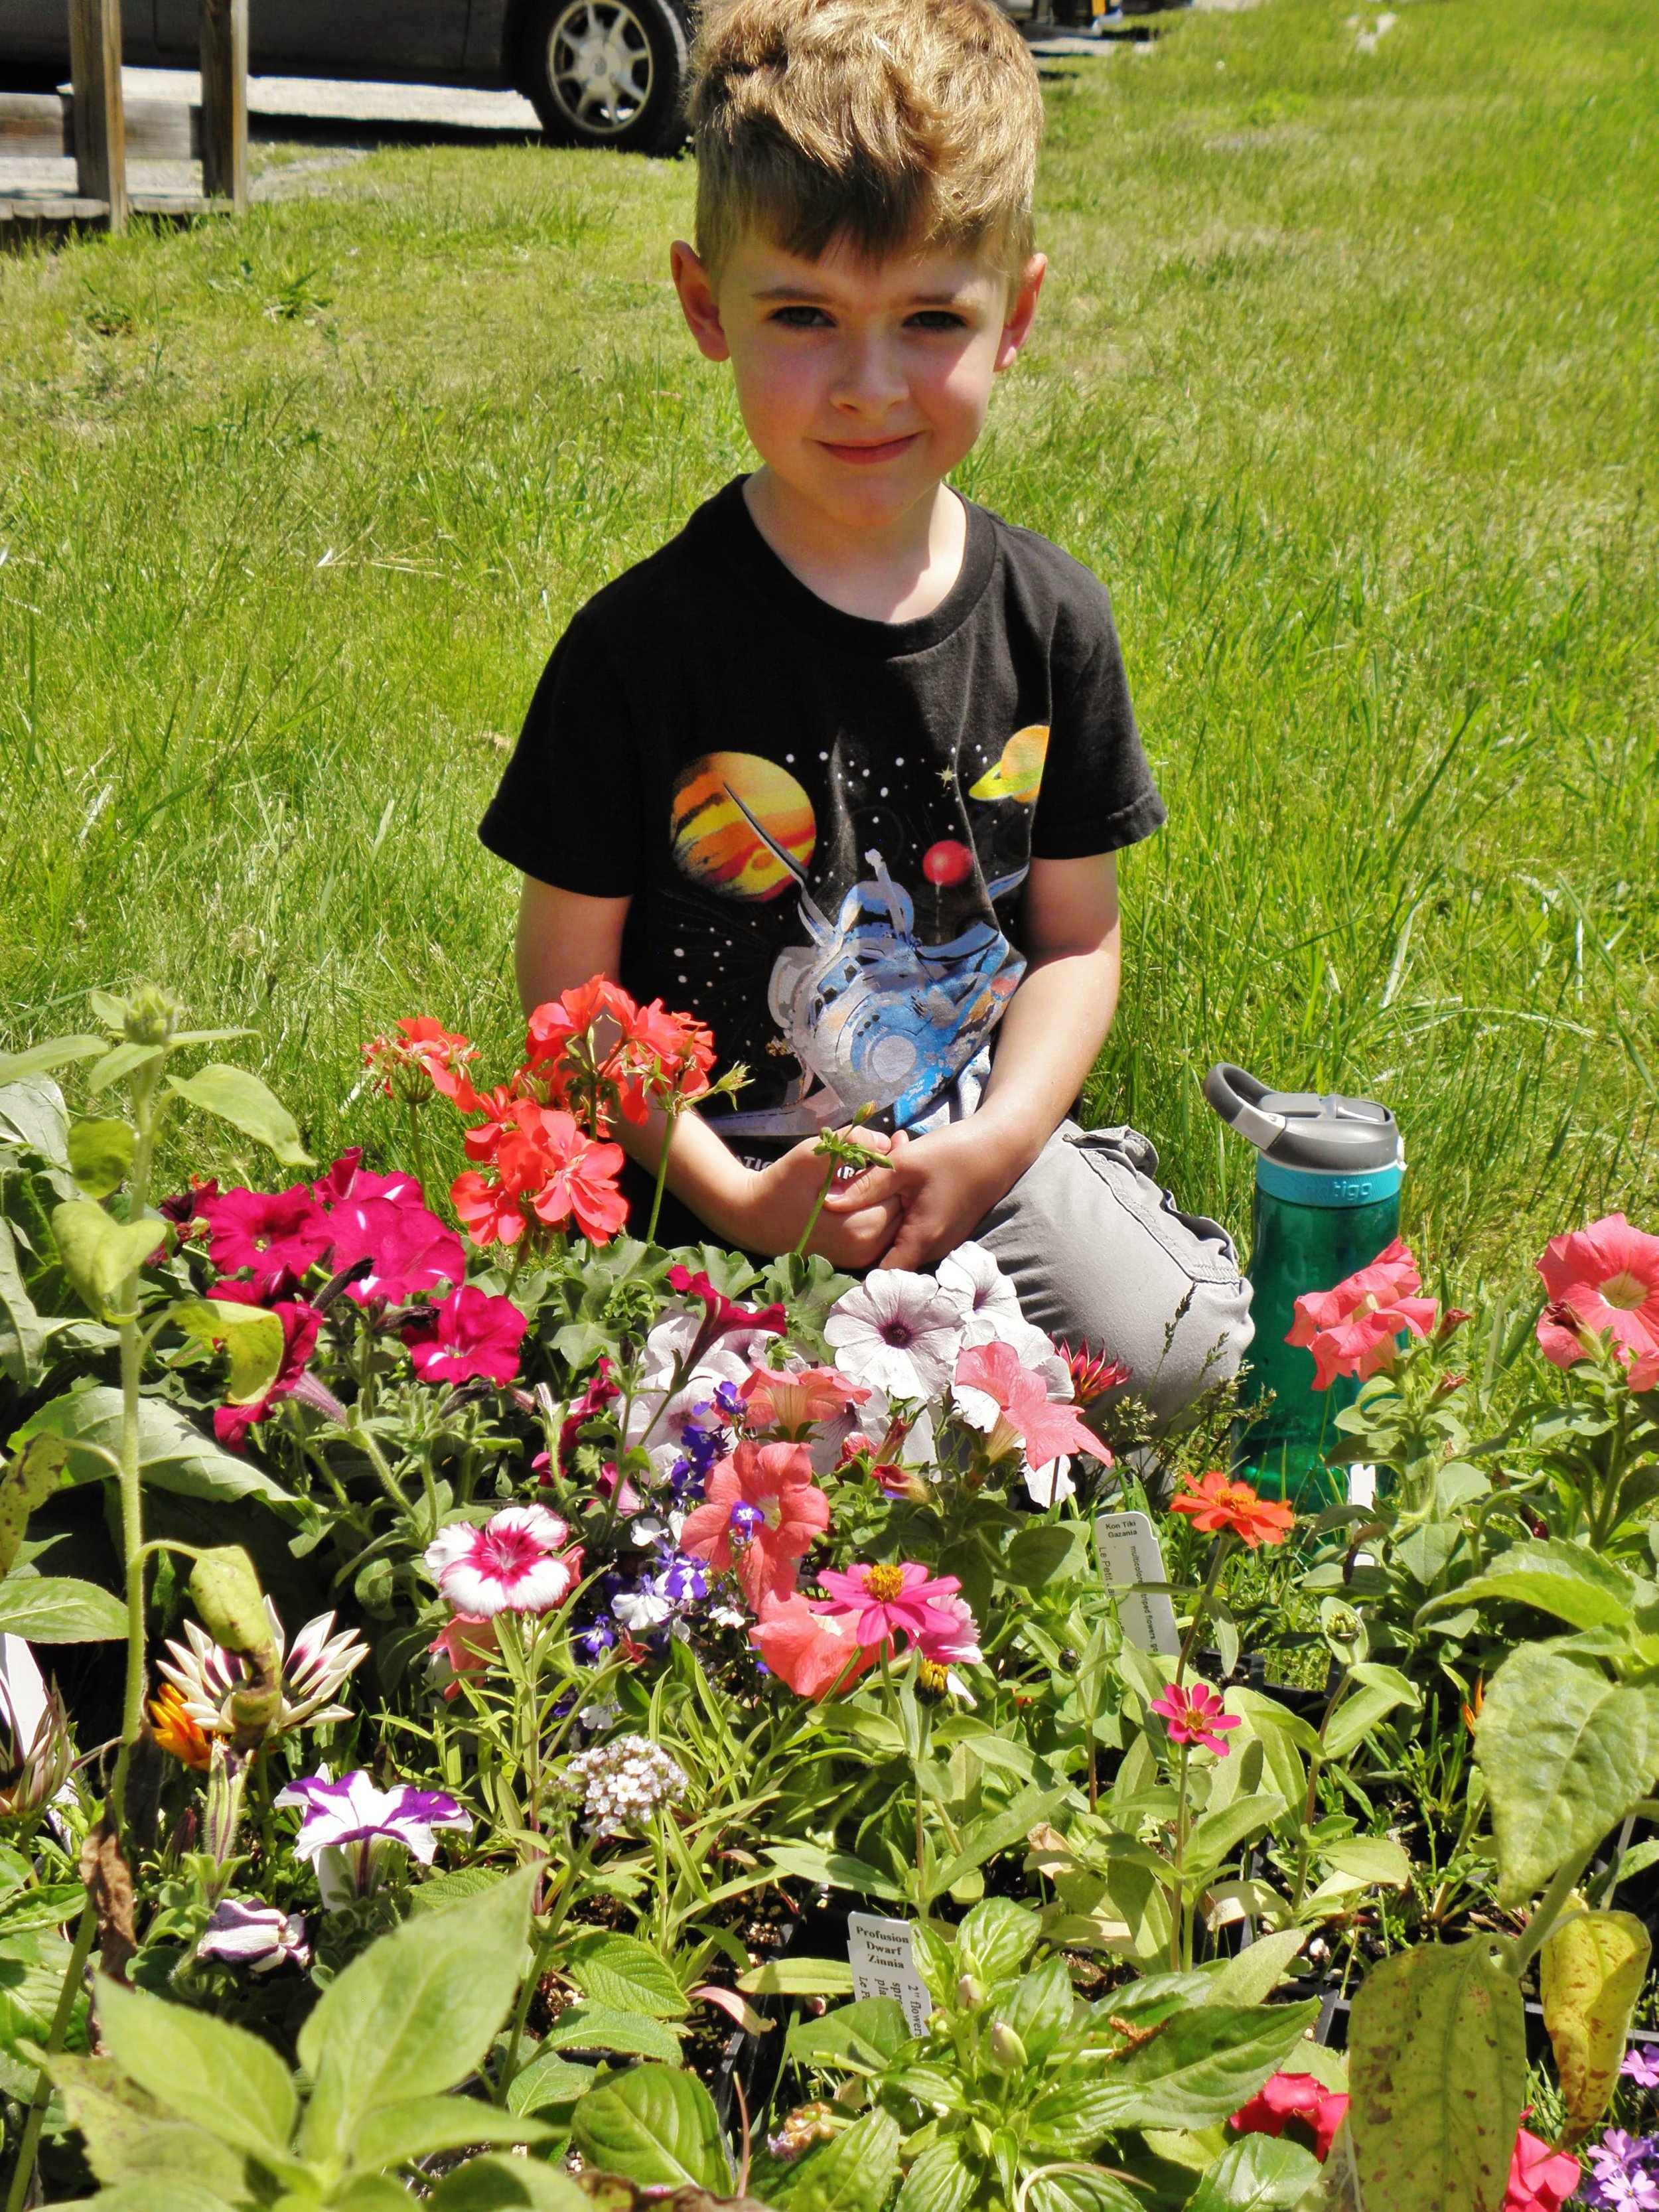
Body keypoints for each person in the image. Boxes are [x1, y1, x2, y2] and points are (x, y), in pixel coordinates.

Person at [479, 0, 1251, 1423]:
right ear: (704, 308)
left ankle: (1089, 1194)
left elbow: (1075, 938)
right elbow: (565, 996)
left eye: (929, 319)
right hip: (701, 1187)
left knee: (1183, 1367)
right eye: (801, 316)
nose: (867, 384)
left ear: (1011, 317)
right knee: (679, 1454)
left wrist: (1002, 1139)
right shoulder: (636, 651)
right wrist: (732, 1196)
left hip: (966, 1147)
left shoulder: (1050, 621)